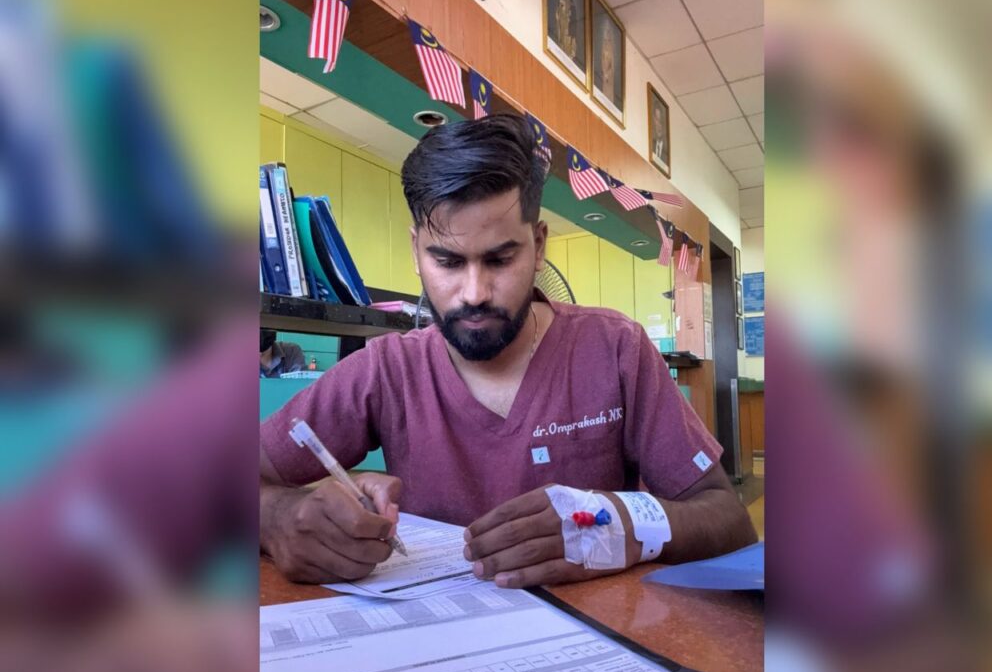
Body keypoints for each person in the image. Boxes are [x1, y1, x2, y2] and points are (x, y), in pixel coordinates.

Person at [259, 114, 756, 588]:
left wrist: (617, 524)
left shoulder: (615, 349)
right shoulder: (386, 370)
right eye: (447, 261)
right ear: (416, 252)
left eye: (500, 259)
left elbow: (729, 522)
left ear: (538, 246)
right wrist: (278, 516)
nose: (474, 292)